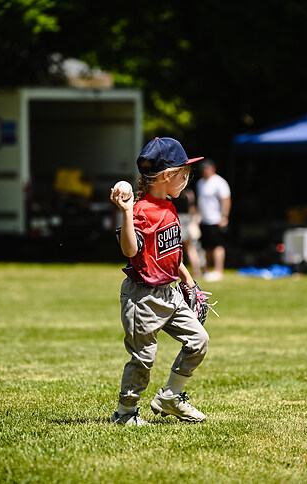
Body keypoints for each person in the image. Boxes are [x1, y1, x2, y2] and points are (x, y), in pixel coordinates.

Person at [110, 137, 210, 426]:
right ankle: (126, 412)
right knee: (143, 358)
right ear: (167, 176)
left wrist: (189, 282)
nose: (187, 179)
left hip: (169, 293)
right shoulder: (140, 211)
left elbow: (171, 253)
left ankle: (170, 397)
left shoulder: (169, 206)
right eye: (184, 174)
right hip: (143, 297)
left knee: (198, 341)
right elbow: (130, 251)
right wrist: (127, 212)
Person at [196, 159, 231, 281]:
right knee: (206, 246)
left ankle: (218, 270)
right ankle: (207, 269)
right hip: (204, 220)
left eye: (206, 168)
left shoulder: (219, 182)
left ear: (212, 168)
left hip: (216, 219)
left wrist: (224, 216)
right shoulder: (200, 183)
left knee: (217, 245)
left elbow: (226, 199)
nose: (204, 171)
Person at [173, 188, 203, 278]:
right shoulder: (189, 193)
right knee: (190, 248)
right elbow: (192, 209)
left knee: (178, 249)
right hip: (188, 220)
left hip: (177, 220)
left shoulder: (173, 194)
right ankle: (197, 271)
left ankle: (177, 273)